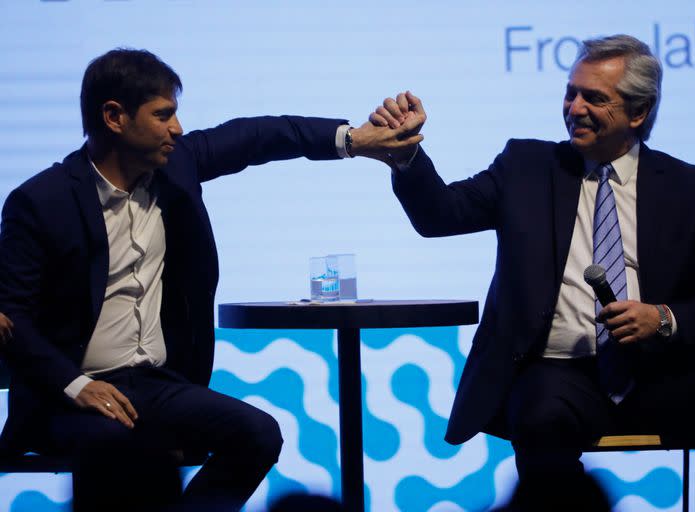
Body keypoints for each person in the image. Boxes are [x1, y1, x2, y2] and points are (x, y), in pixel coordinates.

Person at [0, 48, 418, 511]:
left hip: (154, 385)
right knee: (124, 453)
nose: (176, 130)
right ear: (115, 117)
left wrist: (353, 139)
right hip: (68, 395)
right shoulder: (40, 201)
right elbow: (10, 317)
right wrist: (78, 386)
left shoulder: (176, 166)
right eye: (163, 115)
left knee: (258, 434)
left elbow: (262, 135)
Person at [371, 35, 695, 511]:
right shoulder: (526, 166)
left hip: (662, 370)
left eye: (594, 98)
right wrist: (406, 154)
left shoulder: (693, 188)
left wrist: (662, 318)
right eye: (570, 93)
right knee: (538, 420)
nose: (574, 107)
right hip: (556, 371)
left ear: (638, 113)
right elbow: (439, 215)